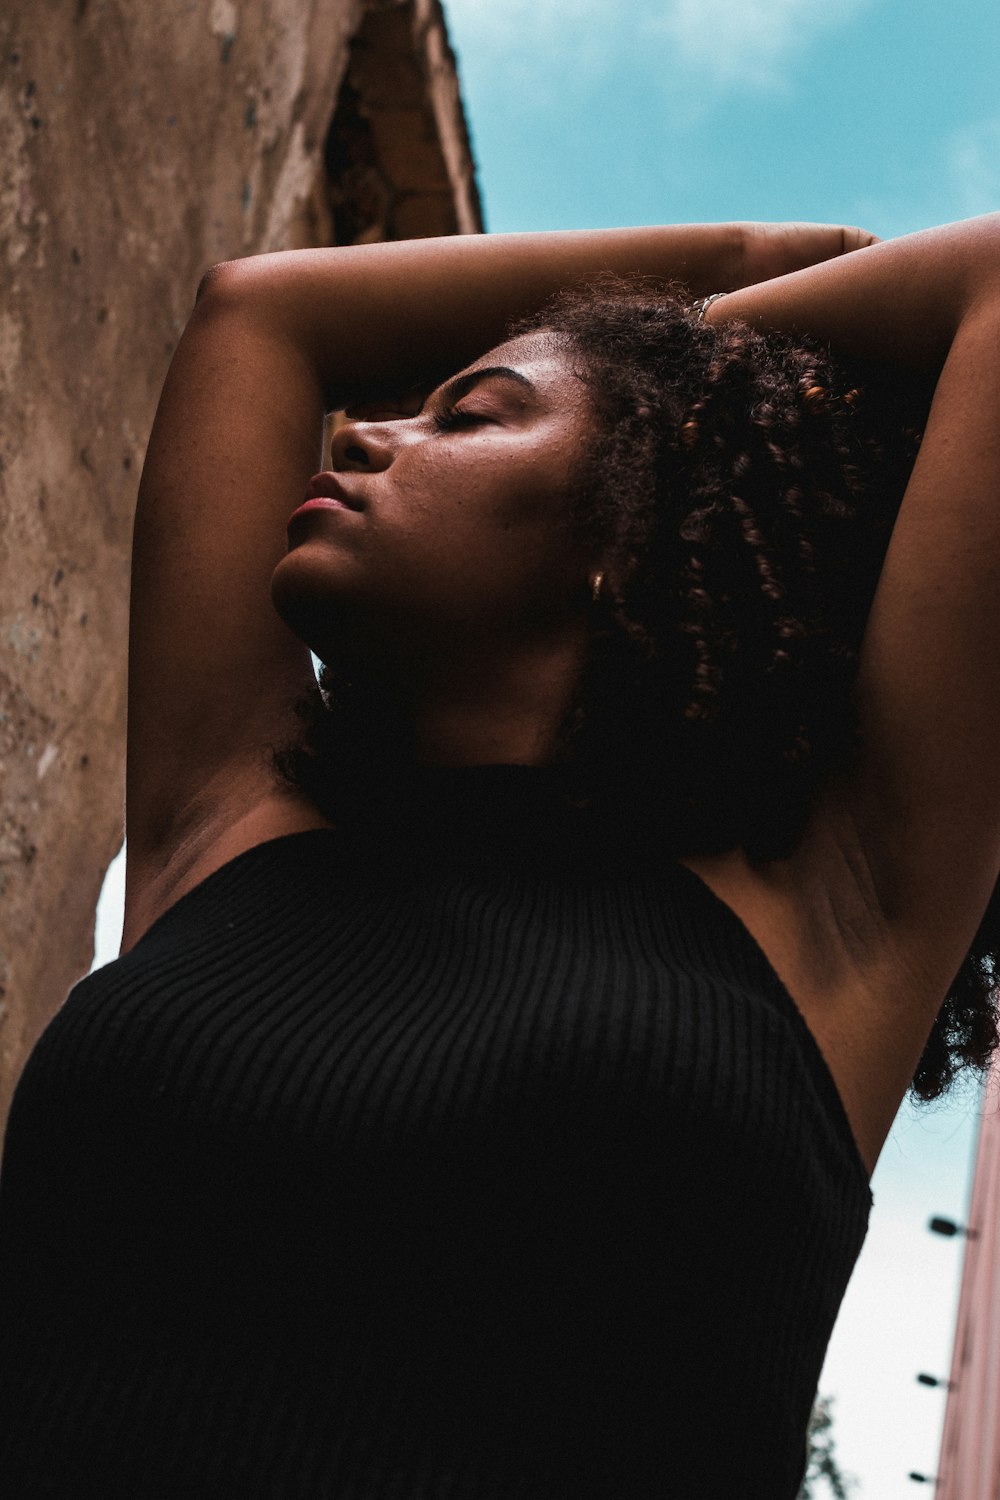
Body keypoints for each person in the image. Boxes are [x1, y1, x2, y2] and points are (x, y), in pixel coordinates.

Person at [1, 217, 998, 1498]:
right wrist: (735, 265)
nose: (363, 434)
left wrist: (673, 367)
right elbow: (257, 315)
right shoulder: (226, 824)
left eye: (468, 418)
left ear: (631, 515)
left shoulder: (831, 910)